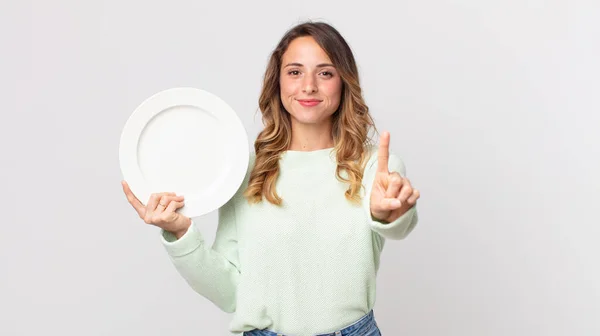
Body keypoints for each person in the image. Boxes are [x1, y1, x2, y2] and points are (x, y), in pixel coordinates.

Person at [122, 21, 420, 336]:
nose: (308, 86)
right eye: (295, 72)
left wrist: (390, 214)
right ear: (277, 82)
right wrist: (180, 233)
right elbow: (229, 293)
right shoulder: (246, 170)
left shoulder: (375, 166)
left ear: (344, 82)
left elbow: (398, 221)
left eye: (325, 72)